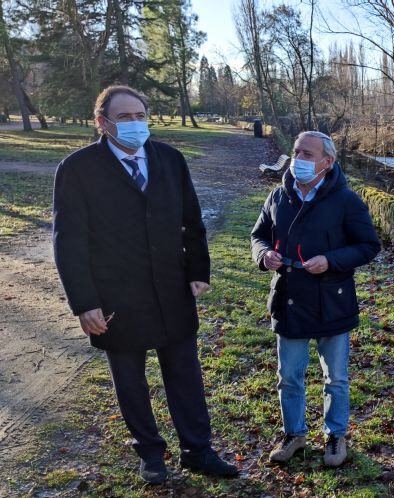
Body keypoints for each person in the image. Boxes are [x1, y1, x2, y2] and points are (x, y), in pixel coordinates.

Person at [52, 85, 238, 483]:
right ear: (103, 123)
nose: (136, 124)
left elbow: (192, 220)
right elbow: (68, 242)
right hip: (115, 294)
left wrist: (198, 271)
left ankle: (198, 450)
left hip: (171, 287)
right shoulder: (78, 169)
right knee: (130, 379)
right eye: (125, 117)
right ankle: (150, 454)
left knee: (185, 375)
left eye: (141, 115)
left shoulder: (169, 159)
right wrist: (83, 302)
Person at [250, 131, 381, 467]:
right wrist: (264, 255)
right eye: (296, 152)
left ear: (327, 162)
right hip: (289, 298)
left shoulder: (347, 201)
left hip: (332, 301)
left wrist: (331, 260)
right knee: (288, 376)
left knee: (335, 378)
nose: (299, 159)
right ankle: (294, 433)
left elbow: (369, 245)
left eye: (307, 154)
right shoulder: (278, 196)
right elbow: (259, 236)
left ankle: (336, 436)